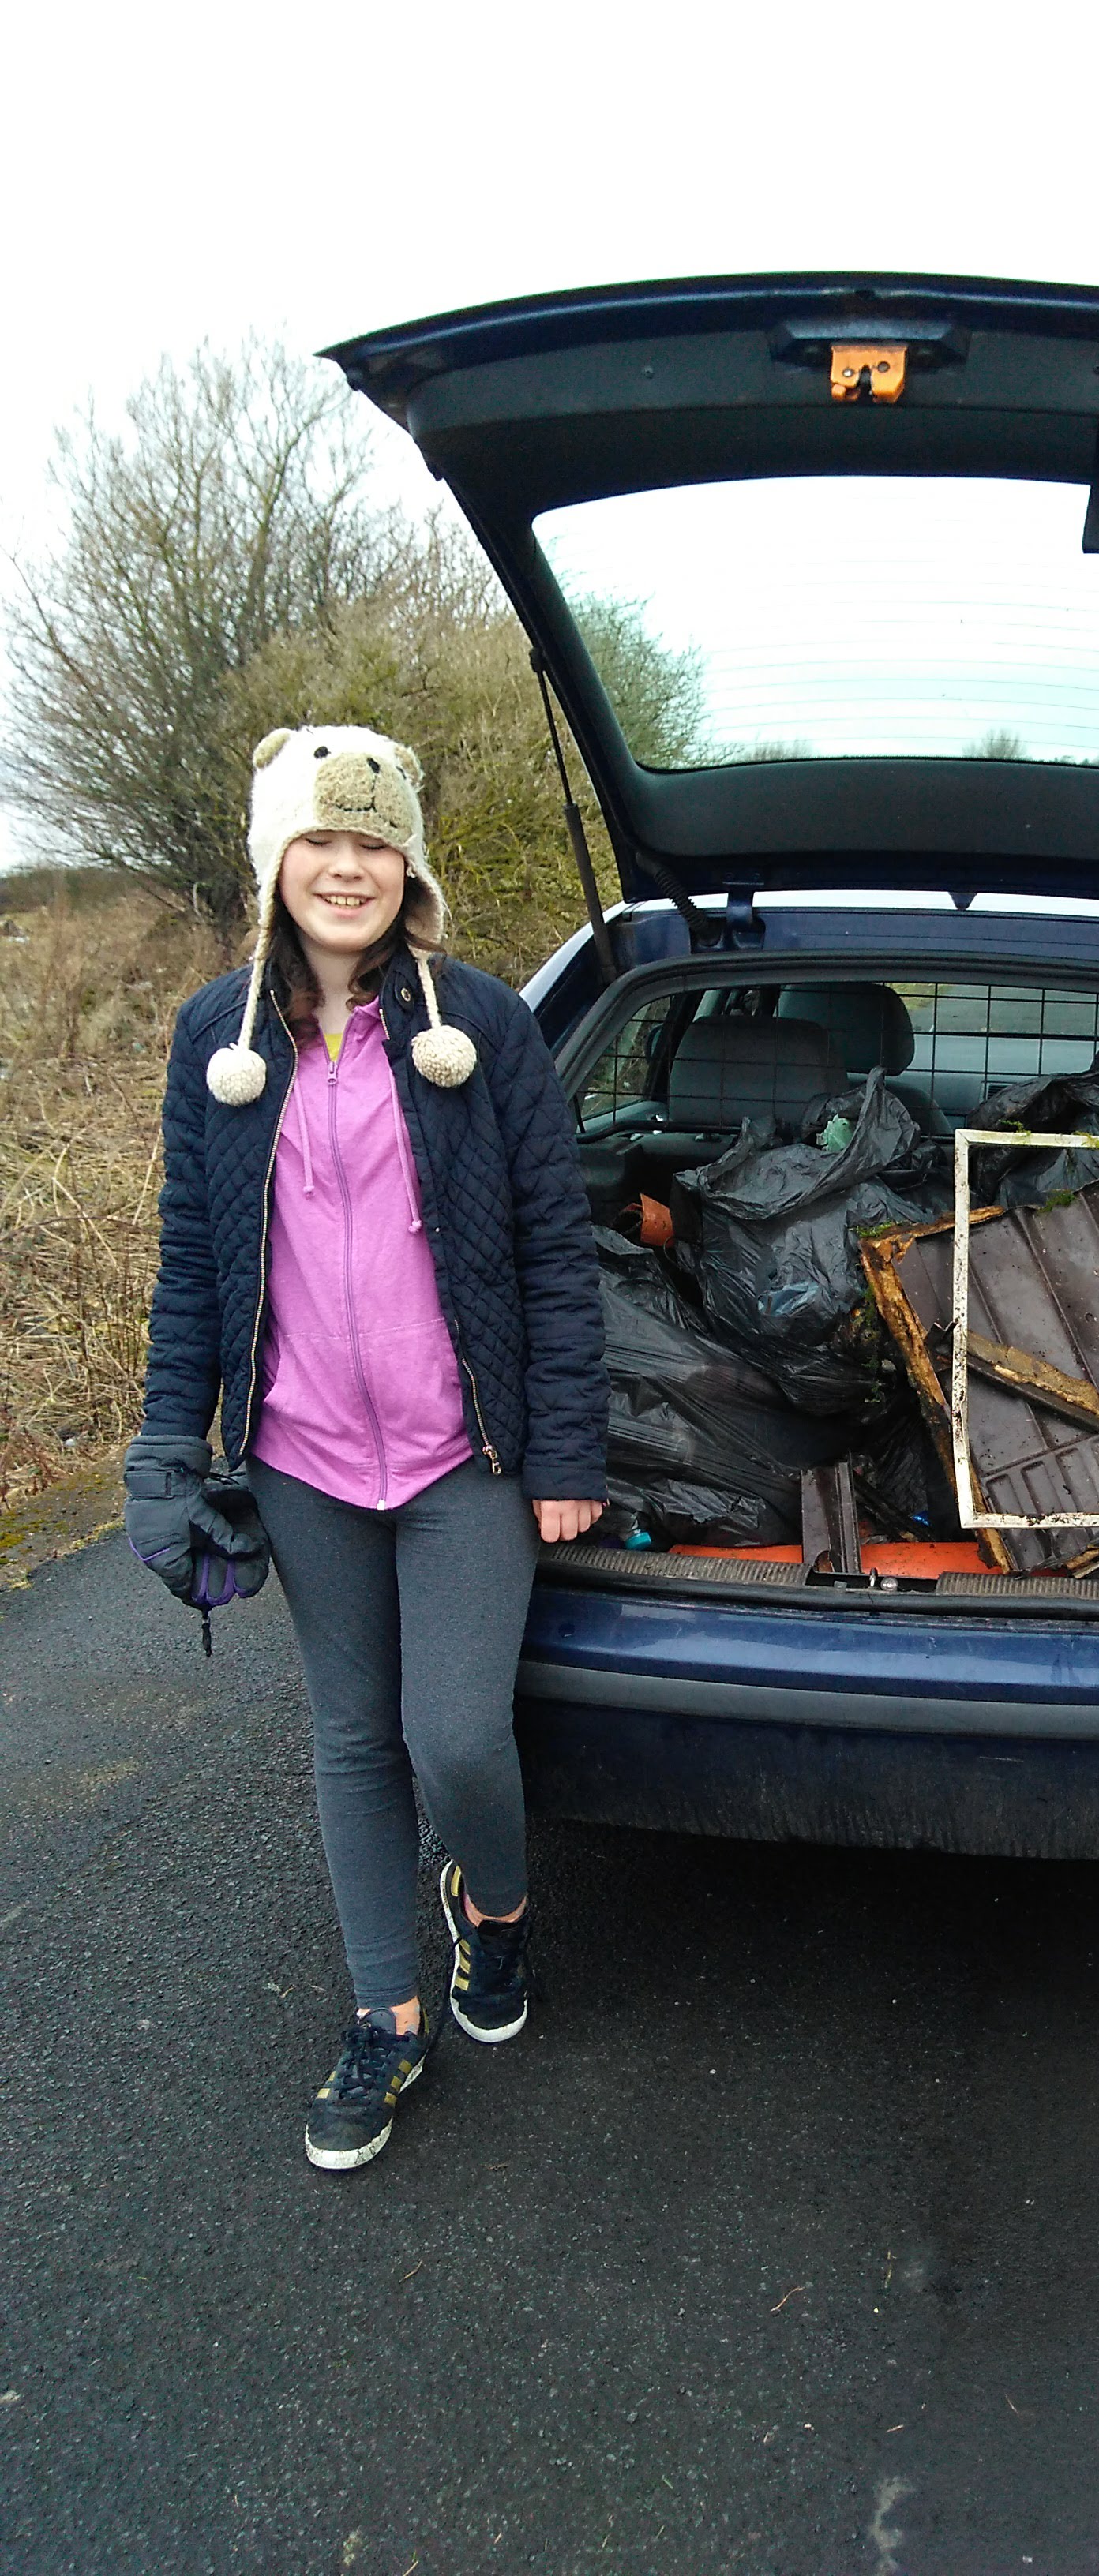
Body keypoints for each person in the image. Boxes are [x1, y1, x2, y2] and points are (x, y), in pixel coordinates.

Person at [126, 724, 606, 2171]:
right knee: (350, 1739)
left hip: (468, 1457)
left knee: (455, 1738)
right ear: (277, 862)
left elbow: (554, 1252)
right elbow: (194, 1263)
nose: (349, 866)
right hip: (302, 1455)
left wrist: (568, 1451)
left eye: (375, 840)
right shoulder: (218, 1037)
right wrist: (167, 1447)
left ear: (411, 866)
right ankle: (385, 2020)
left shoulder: (482, 1030)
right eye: (321, 841)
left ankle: (497, 1908)